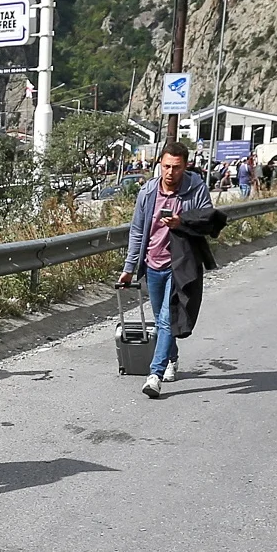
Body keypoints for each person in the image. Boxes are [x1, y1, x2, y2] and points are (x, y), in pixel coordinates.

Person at [117, 141, 221, 398]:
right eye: (165, 167)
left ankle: (155, 374)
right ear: (159, 165)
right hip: (153, 264)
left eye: (176, 167)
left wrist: (181, 222)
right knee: (163, 318)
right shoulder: (148, 192)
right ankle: (171, 358)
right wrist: (129, 267)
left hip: (180, 265)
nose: (170, 173)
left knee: (166, 319)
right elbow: (138, 232)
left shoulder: (196, 188)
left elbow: (208, 221)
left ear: (185, 166)